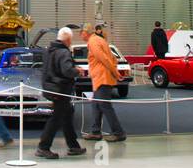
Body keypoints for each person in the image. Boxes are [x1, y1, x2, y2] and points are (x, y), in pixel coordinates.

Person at [35, 27, 85, 159]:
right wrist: (77, 71)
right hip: (61, 89)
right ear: (68, 39)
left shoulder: (48, 50)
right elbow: (67, 70)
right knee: (56, 119)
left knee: (67, 115)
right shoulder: (63, 52)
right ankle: (43, 147)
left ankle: (74, 146)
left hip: (50, 87)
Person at [83, 24, 126, 142]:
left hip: (102, 78)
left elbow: (104, 59)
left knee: (105, 106)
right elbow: (113, 58)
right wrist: (114, 70)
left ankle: (119, 133)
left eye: (81, 32)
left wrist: (115, 72)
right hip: (101, 78)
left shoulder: (93, 42)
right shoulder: (100, 40)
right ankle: (95, 131)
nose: (80, 35)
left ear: (86, 33)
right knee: (96, 105)